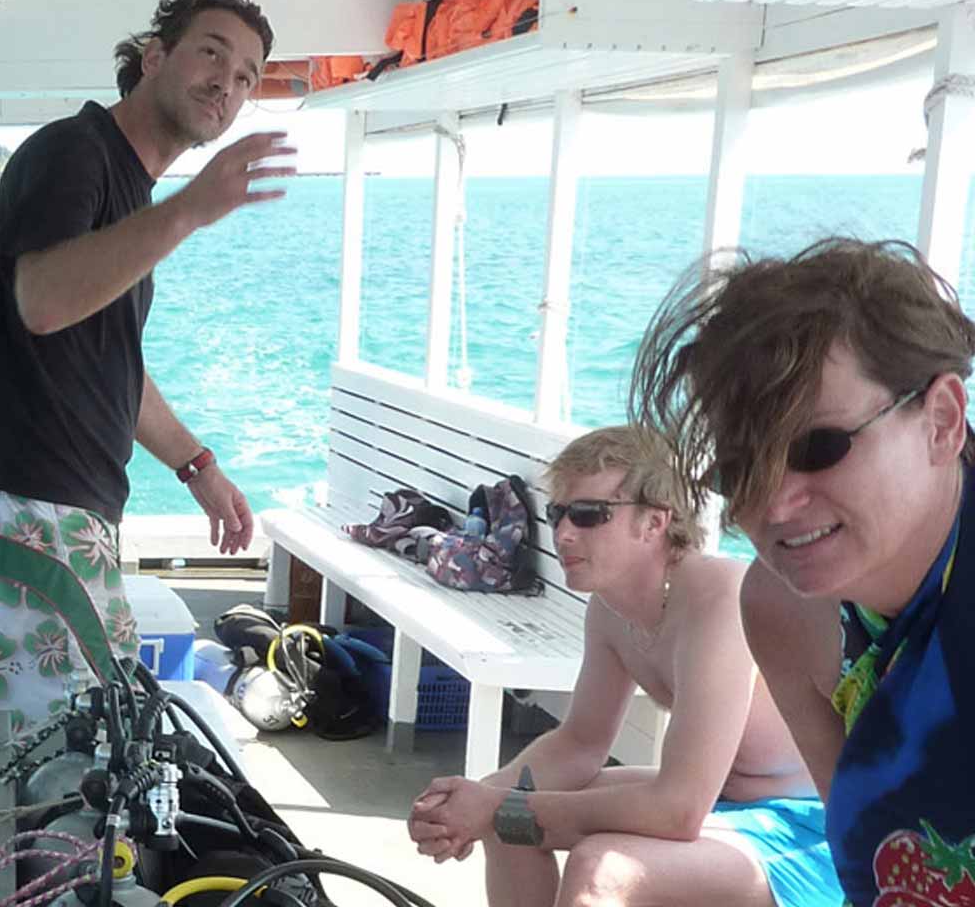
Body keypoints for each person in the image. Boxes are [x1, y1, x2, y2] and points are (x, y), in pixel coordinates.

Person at [0, 0, 294, 728]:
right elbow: (42, 301)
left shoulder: (128, 188)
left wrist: (198, 466)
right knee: (82, 741)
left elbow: (105, 358)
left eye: (246, 75)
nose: (227, 82)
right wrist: (190, 209)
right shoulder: (75, 153)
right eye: (211, 54)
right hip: (21, 499)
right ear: (154, 58)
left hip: (60, 503)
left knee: (86, 735)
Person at [630, 238, 975, 907]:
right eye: (740, 469)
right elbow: (865, 858)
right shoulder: (783, 607)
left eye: (819, 447)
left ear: (941, 421)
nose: (773, 504)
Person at [405, 426, 836, 907]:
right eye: (557, 513)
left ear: (654, 522)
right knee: (507, 822)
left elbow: (679, 809)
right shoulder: (610, 609)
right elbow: (580, 743)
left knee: (601, 868)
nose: (564, 533)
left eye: (590, 515)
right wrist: (468, 802)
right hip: (724, 803)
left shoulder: (719, 600)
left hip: (810, 828)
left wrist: (497, 805)